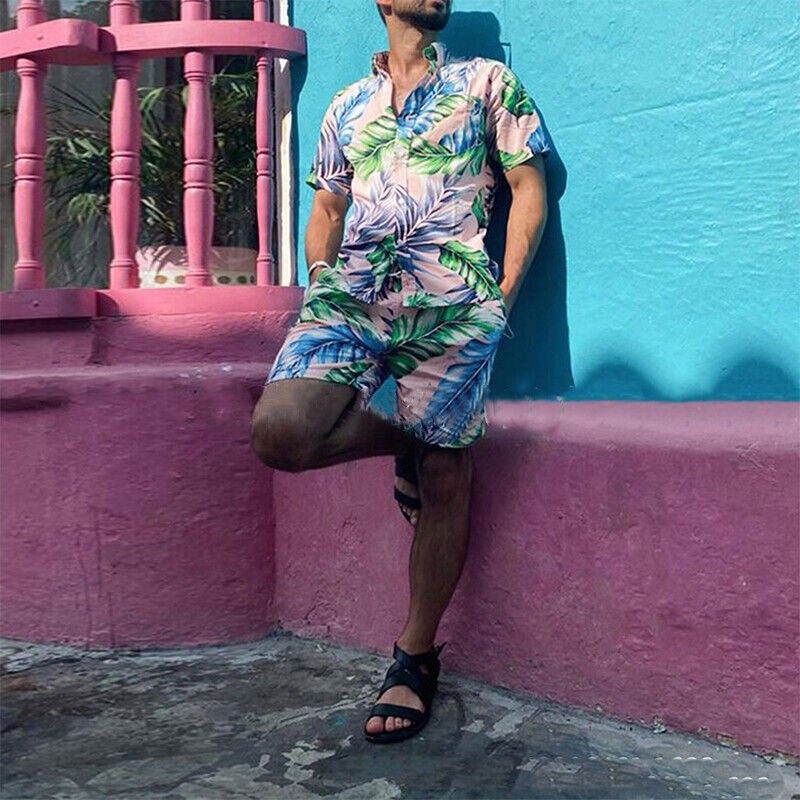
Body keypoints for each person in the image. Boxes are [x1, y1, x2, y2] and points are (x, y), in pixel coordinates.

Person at [250, 0, 549, 744]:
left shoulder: (488, 83)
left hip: (453, 304)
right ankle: (409, 442)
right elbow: (327, 207)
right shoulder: (346, 105)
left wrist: (502, 299)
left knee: (448, 473)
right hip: (351, 298)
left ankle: (414, 659)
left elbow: (529, 189)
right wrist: (322, 278)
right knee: (280, 433)